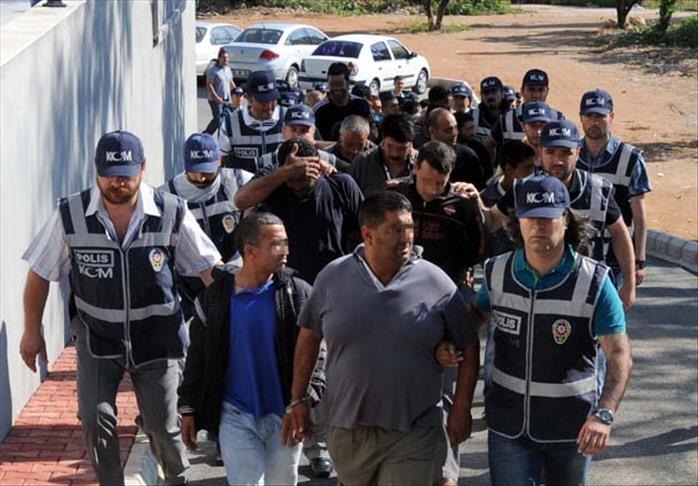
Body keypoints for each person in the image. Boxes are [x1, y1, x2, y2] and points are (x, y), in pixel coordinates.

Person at [20, 131, 222, 485]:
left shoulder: (171, 212)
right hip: (98, 339)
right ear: (96, 171)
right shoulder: (71, 214)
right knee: (94, 417)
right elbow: (40, 272)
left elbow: (208, 270)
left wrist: (232, 319)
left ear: (142, 168)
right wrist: (32, 331)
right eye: (110, 175)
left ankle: (176, 479)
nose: (118, 183)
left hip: (158, 341)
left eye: (126, 174)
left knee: (162, 425)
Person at [283, 191, 480, 486]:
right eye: (395, 229)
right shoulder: (332, 277)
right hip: (349, 430)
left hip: (415, 429)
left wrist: (462, 407)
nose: (406, 237)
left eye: (409, 227)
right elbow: (308, 338)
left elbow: (469, 344)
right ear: (368, 234)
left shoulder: (436, 281)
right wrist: (297, 399)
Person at [472, 175, 633, 486]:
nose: (539, 225)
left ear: (565, 219)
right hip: (508, 427)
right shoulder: (496, 272)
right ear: (518, 221)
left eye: (548, 217)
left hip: (572, 430)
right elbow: (473, 319)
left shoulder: (595, 282)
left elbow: (619, 354)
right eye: (530, 217)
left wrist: (604, 415)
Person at [179, 212, 326, 486]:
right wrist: (188, 409)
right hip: (234, 416)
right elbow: (196, 359)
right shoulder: (214, 300)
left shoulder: (297, 294)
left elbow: (316, 354)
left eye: (286, 243)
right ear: (250, 251)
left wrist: (305, 400)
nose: (285, 250)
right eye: (276, 244)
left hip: (284, 415)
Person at [487, 120, 637, 309]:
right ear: (540, 153)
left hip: (588, 292)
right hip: (535, 291)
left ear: (578, 153)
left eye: (566, 153)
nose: (558, 161)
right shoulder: (523, 189)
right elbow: (491, 221)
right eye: (551, 152)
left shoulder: (598, 190)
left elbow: (620, 233)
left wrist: (629, 282)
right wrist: (471, 199)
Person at [235, 138, 363, 284]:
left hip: (333, 281)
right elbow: (240, 201)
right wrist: (284, 174)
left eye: (304, 181)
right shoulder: (272, 181)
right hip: (286, 284)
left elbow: (361, 235)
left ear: (317, 166)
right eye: (292, 181)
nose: (298, 187)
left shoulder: (340, 184)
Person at [160, 133, 244, 319]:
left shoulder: (238, 181)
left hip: (233, 274)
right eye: (195, 170)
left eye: (207, 171)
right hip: (187, 285)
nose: (201, 177)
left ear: (219, 161)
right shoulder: (166, 196)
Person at [577, 88, 651, 287]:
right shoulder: (569, 155)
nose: (594, 121)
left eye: (600, 116)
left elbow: (639, 217)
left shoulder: (631, 158)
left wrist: (639, 260)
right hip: (576, 257)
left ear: (611, 117)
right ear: (581, 117)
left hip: (615, 261)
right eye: (589, 115)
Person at [486, 69, 564, 162]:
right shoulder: (507, 119)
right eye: (531, 89)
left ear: (547, 91)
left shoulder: (558, 119)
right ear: (522, 91)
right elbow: (489, 144)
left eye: (541, 90)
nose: (536, 95)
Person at [218, 70, 287, 174]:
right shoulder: (230, 124)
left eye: (273, 100)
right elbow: (221, 161)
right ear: (248, 98)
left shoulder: (289, 118)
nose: (269, 107)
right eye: (263, 101)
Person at [254, 104, 338, 175]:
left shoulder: (329, 160)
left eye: (304, 130)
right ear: (283, 131)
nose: (298, 135)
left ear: (313, 132)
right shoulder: (263, 163)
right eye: (293, 129)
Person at [349, 112, 417, 195]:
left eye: (402, 149)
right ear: (383, 139)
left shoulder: (420, 164)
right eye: (390, 146)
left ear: (410, 144)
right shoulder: (363, 163)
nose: (395, 154)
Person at [428, 107, 488, 188]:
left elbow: (480, 188)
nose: (454, 134)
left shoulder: (467, 157)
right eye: (448, 130)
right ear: (432, 131)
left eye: (455, 128)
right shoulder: (422, 156)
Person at [314, 62, 369, 141]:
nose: (336, 88)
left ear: (348, 84)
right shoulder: (319, 110)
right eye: (332, 84)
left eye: (340, 84)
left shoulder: (361, 105)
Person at [204, 47, 236, 135]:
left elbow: (231, 82)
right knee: (218, 120)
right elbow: (209, 85)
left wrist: (237, 91)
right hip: (215, 100)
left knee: (226, 120)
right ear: (219, 58)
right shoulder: (213, 70)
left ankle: (221, 138)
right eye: (224, 58)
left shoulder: (228, 69)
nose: (226, 60)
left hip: (226, 100)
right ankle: (205, 135)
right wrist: (216, 98)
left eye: (227, 58)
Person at [472, 76, 506, 144]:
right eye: (486, 93)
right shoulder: (472, 117)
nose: (490, 96)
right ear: (481, 96)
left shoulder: (512, 117)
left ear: (502, 94)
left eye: (494, 92)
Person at [519, 100, 553, 168]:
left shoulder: (558, 156)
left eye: (542, 125)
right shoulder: (514, 157)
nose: (538, 131)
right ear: (523, 126)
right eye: (533, 126)